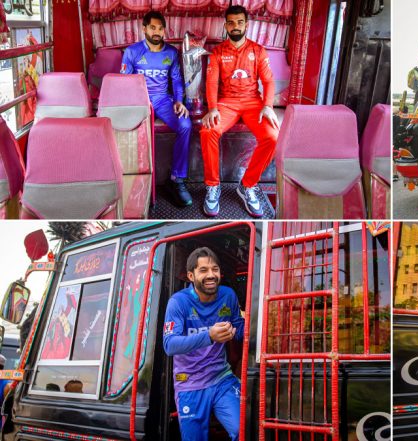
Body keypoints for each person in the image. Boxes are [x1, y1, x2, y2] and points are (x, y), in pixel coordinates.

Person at [200, 5, 280, 217]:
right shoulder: (217, 52)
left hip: (253, 102)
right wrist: (213, 108)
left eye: (240, 22)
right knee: (208, 131)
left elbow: (269, 81)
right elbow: (211, 82)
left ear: (246, 24)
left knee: (273, 137)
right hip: (226, 103)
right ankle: (212, 185)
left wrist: (268, 106)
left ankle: (247, 185)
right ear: (226, 25)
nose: (236, 26)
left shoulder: (258, 50)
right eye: (231, 23)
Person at [163, 247, 245, 441]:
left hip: (222, 378)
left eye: (214, 269)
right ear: (191, 275)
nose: (211, 275)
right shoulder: (178, 302)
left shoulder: (228, 295)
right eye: (203, 270)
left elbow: (240, 328)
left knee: (244, 430)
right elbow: (169, 344)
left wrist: (238, 330)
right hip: (189, 384)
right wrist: (210, 335)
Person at [121, 11, 193, 207]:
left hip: (162, 100)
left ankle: (177, 179)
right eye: (152, 27)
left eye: (160, 28)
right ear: (144, 28)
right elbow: (125, 83)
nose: (157, 32)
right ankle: (136, 181)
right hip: (139, 100)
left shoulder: (171, 53)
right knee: (135, 134)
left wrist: (179, 101)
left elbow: (177, 80)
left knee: (185, 125)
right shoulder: (132, 52)